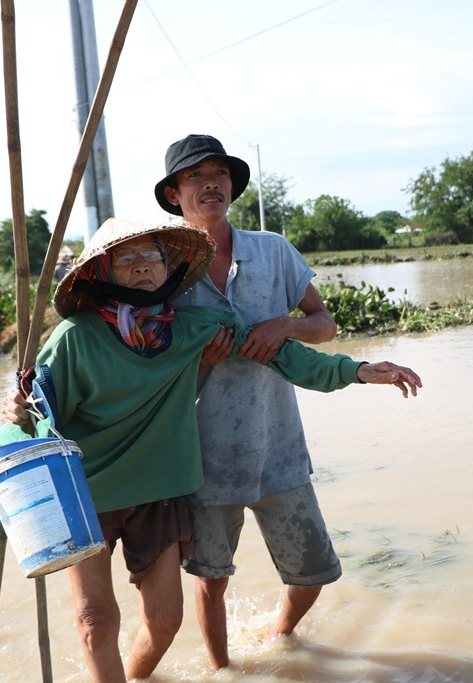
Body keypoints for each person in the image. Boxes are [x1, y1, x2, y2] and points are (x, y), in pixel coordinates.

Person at [0, 218, 422, 683]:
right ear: (103, 271)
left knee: (165, 621)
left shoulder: (198, 327)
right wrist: (19, 409)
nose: (142, 267)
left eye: (152, 256)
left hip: (158, 491)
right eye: (127, 258)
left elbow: (286, 357)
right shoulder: (74, 338)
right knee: (96, 620)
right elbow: (40, 415)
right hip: (88, 493)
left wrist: (358, 370)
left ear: (168, 267)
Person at [155, 134, 357, 669]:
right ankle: (223, 671)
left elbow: (324, 324)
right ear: (175, 194)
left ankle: (278, 635)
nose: (210, 183)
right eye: (195, 176)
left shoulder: (272, 251)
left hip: (280, 448)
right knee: (209, 580)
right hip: (203, 459)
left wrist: (285, 324)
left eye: (218, 173)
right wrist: (200, 361)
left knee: (312, 573)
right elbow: (151, 366)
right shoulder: (163, 271)